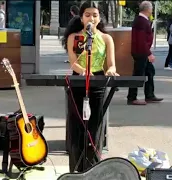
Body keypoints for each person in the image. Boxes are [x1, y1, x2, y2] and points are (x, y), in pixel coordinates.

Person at [61, 1, 118, 172]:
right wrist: (82, 71)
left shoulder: (107, 39)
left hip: (98, 83)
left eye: (95, 15)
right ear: (81, 18)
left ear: (100, 18)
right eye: (87, 15)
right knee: (77, 126)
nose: (91, 18)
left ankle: (93, 167)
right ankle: (75, 168)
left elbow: (111, 65)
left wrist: (111, 71)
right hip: (78, 82)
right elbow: (73, 63)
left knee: (95, 127)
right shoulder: (74, 38)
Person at [127, 1, 163, 106]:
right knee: (138, 74)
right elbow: (141, 39)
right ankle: (132, 97)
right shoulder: (142, 21)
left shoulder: (142, 20)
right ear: (148, 9)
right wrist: (149, 53)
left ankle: (149, 95)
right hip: (141, 52)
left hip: (141, 51)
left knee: (149, 72)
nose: (152, 10)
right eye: (151, 8)